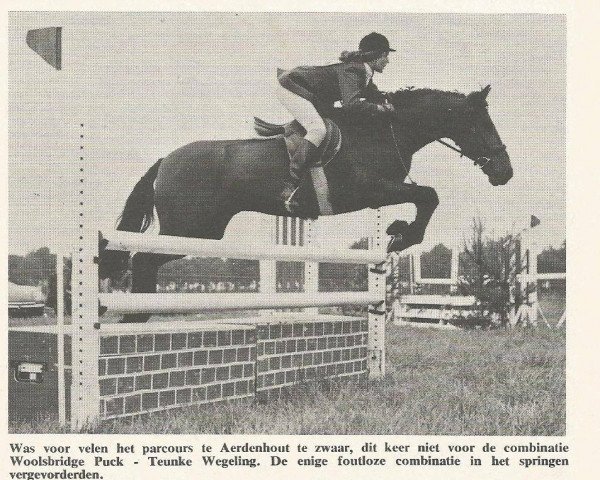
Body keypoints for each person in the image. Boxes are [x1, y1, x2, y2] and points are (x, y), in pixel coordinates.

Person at [277, 32, 396, 212]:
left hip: (307, 92)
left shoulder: (364, 72)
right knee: (318, 130)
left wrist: (390, 101)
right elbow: (352, 105)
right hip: (290, 86)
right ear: (375, 56)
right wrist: (380, 109)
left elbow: (375, 94)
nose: (387, 61)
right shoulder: (353, 71)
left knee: (332, 122)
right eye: (385, 56)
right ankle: (290, 183)